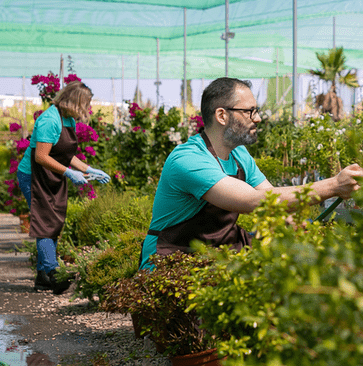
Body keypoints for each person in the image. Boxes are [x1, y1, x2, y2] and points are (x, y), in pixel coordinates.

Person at [139, 77, 363, 269]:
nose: (257, 118)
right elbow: (255, 201)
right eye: (249, 111)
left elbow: (270, 195)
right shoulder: (189, 159)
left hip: (217, 253)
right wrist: (333, 186)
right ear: (222, 115)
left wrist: (288, 220)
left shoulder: (239, 155)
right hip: (172, 258)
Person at [17, 81, 110, 293]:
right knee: (45, 222)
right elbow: (41, 157)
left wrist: (88, 169)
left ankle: (43, 277)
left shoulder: (67, 119)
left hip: (51, 175)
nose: (87, 109)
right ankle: (53, 272)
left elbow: (66, 154)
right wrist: (68, 172)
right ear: (74, 102)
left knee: (53, 221)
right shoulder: (50, 120)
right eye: (85, 104)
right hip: (34, 176)